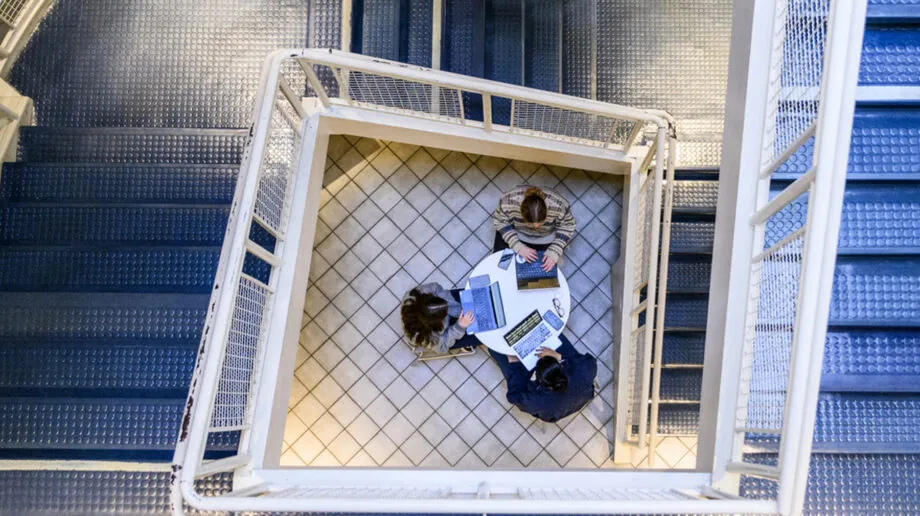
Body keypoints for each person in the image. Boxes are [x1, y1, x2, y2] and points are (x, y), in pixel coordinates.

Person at [489, 334, 597, 422]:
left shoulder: (537, 402)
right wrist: (558, 356)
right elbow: (590, 360)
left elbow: (514, 396)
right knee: (557, 338)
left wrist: (514, 363)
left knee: (498, 352)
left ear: (540, 381)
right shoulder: (583, 371)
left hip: (553, 412)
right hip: (583, 395)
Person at [492, 185, 576, 272]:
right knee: (500, 267)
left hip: (546, 237)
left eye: (541, 222)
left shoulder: (560, 205)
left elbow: (568, 226)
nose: (536, 227)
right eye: (530, 223)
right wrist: (517, 245)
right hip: (518, 233)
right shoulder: (507, 201)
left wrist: (555, 250)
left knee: (543, 272)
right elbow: (500, 221)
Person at [400, 283, 480, 354]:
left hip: (448, 305)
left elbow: (436, 288)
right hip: (444, 335)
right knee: (478, 334)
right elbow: (442, 348)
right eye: (444, 312)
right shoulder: (424, 336)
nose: (446, 307)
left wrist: (456, 309)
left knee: (476, 293)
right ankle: (467, 344)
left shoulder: (418, 293)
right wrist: (459, 326)